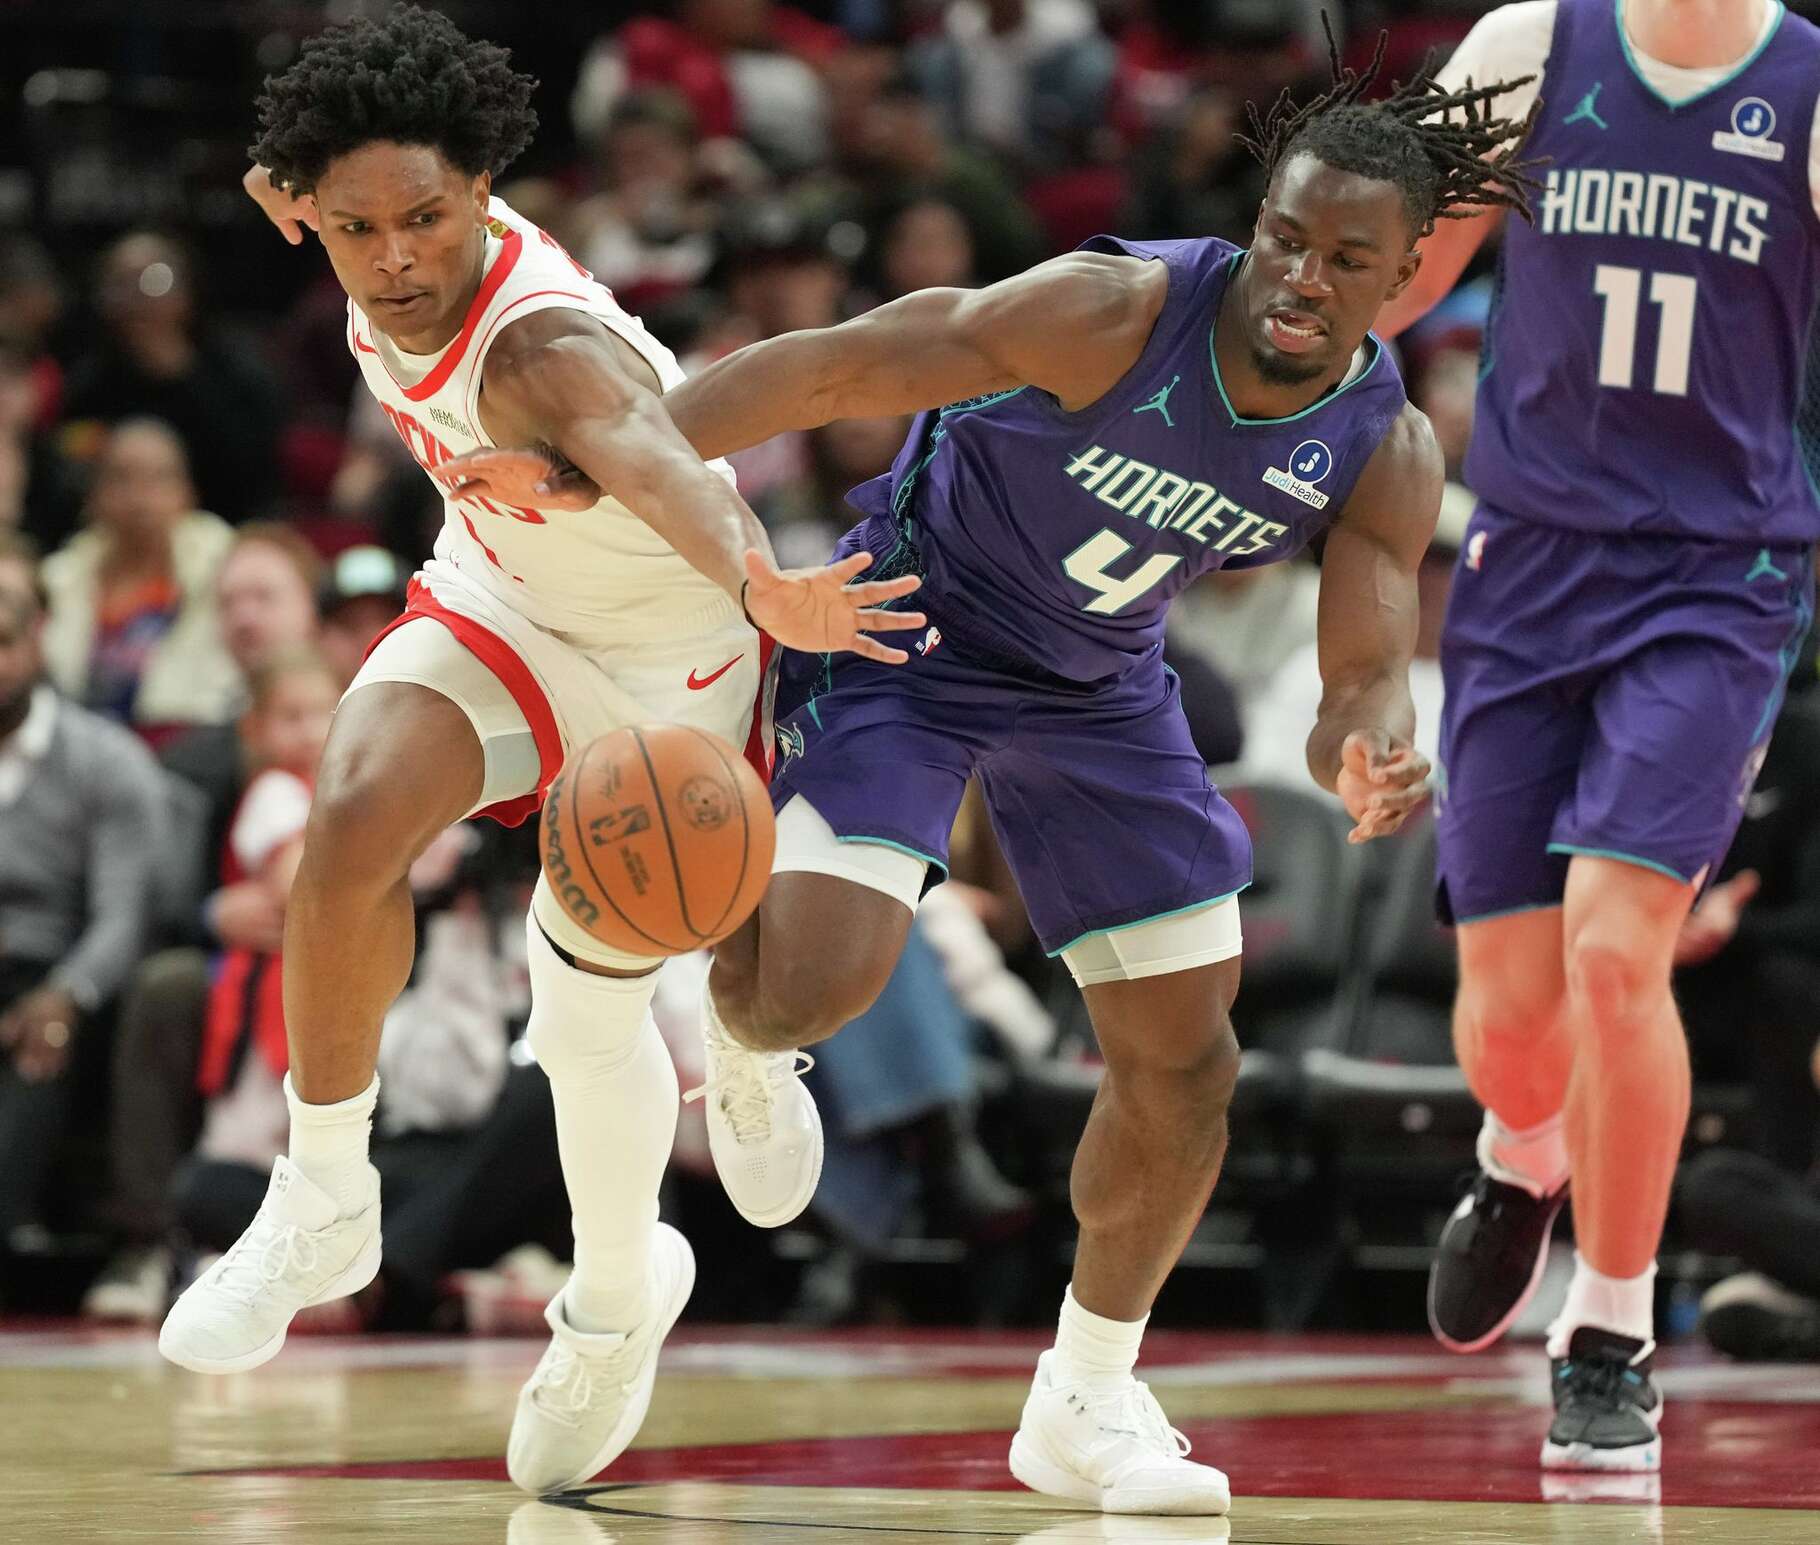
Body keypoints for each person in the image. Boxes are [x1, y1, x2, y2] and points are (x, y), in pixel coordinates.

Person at [451, 30, 1538, 1515]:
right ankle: (751, 1039)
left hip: (1102, 687)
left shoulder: (1384, 444)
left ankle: (1086, 1394)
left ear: (1409, 271)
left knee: (1190, 1057)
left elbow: (1361, 666)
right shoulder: (1110, 307)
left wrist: (1371, 744)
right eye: (1283, 235)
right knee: (813, 981)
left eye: (1347, 258)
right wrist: (607, 460)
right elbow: (833, 367)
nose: (1300, 275)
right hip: (916, 619)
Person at [155, 5, 921, 1507]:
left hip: (671, 650)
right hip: (504, 596)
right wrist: (288, 190)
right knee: (353, 818)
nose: (392, 257)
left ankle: (624, 1289)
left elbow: (647, 448)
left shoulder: (544, 345)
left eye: (426, 219)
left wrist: (762, 575)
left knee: (583, 1024)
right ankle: (323, 1197)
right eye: (358, 224)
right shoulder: (341, 213)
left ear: (480, 189)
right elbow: (295, 188)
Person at [1372, 0, 1820, 1475]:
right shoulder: (1528, 42)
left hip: (1720, 573)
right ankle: (1523, 1154)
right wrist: (1317, 247)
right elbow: (1397, 282)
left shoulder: (1808, 85)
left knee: (1619, 953)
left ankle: (1610, 1333)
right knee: (1509, 1022)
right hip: (1528, 562)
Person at [0, 551, 165, 1268]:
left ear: (38, 636)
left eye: (1, 641)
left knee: (41, 1039)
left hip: (55, 975)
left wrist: (65, 993)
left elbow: (123, 916)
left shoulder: (106, 759)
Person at [40, 418, 240, 744]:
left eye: (158, 478)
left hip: (186, 743)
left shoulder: (226, 567)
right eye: (121, 478)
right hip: (76, 747)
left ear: (188, 492)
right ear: (93, 495)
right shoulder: (60, 579)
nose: (140, 495)